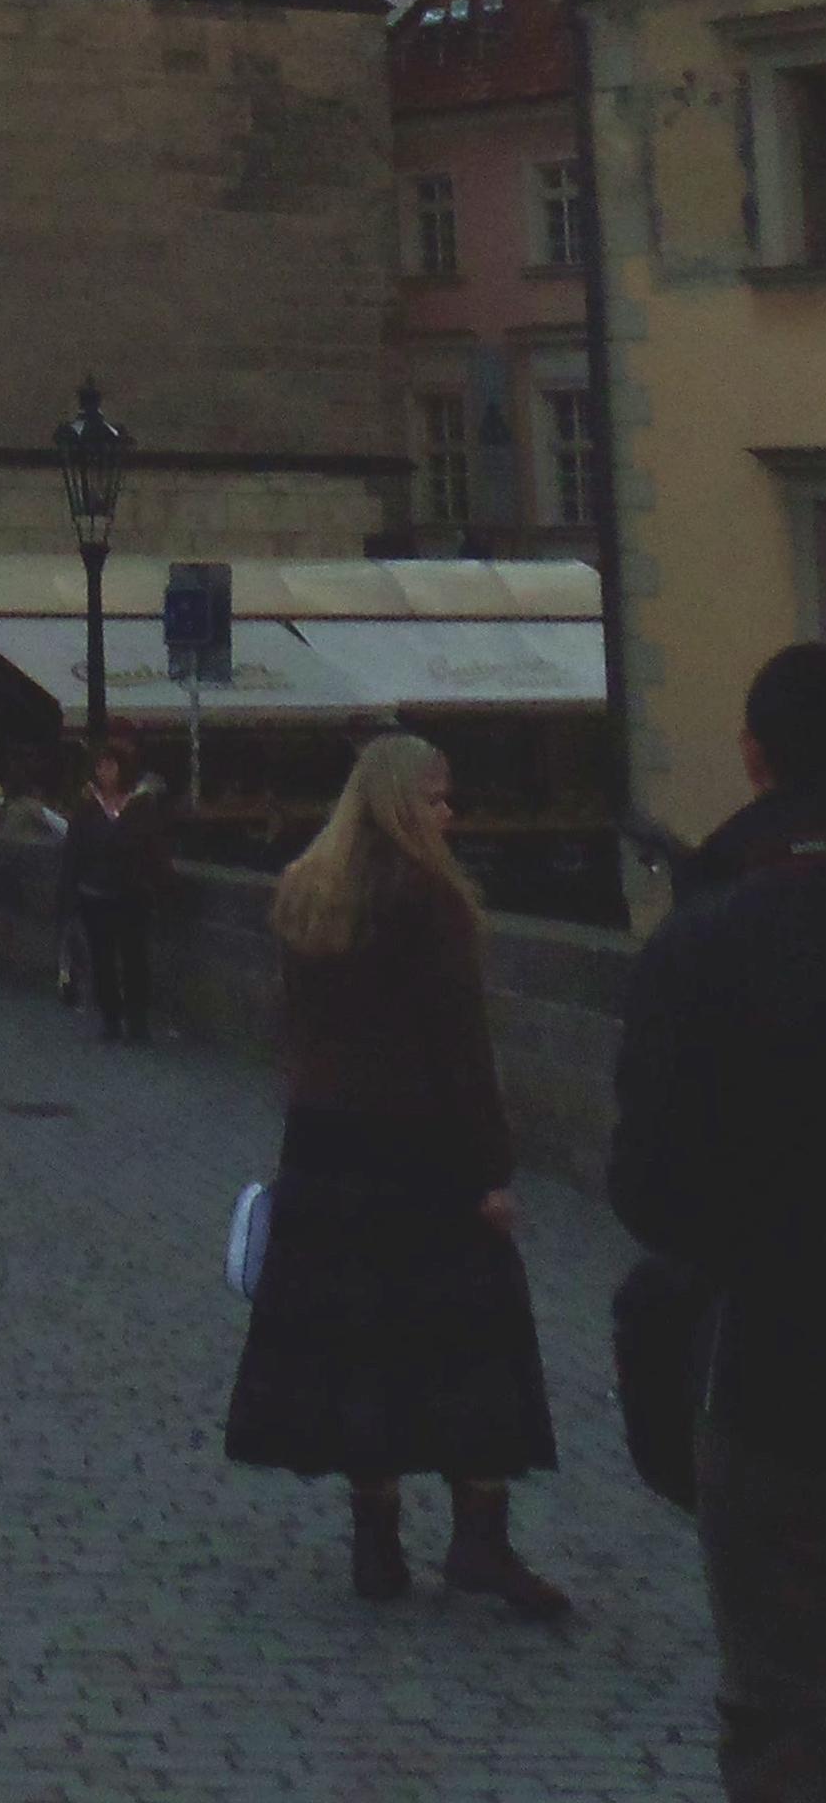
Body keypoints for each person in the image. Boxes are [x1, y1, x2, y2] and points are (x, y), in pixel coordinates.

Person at [223, 731, 569, 1619]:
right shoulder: (429, 900)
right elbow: (459, 1051)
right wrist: (489, 1170)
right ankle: (478, 1538)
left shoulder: (310, 892)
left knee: (359, 1343)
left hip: (327, 1148)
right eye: (439, 797)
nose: (449, 814)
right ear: (401, 802)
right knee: (471, 1341)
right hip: (419, 1154)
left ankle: (375, 1544)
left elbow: (291, 1034)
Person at [611, 640, 826, 1801]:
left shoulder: (704, 937)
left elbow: (645, 1189)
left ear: (753, 759)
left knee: (781, 1705)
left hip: (777, 1368)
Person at [58, 738, 169, 1044]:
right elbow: (73, 851)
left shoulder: (140, 804)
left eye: (111, 765)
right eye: (100, 766)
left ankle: (137, 1021)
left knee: (135, 958)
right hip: (95, 893)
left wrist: (161, 886)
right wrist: (68, 894)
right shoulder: (87, 806)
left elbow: (155, 849)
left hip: (132, 894)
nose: (104, 771)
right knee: (102, 959)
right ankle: (111, 1019)